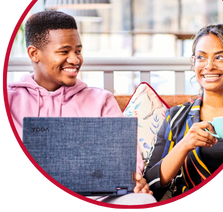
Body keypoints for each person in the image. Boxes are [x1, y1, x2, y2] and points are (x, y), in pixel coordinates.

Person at [8, 10, 156, 205]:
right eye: (64, 51)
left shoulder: (101, 100)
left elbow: (129, 162)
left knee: (142, 199)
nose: (75, 60)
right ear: (34, 54)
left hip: (98, 197)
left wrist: (134, 179)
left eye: (78, 51)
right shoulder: (9, 101)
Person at [143, 24, 223, 201]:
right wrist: (184, 144)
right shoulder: (175, 118)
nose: (209, 65)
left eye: (220, 57)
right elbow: (150, 184)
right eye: (201, 57)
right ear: (194, 63)